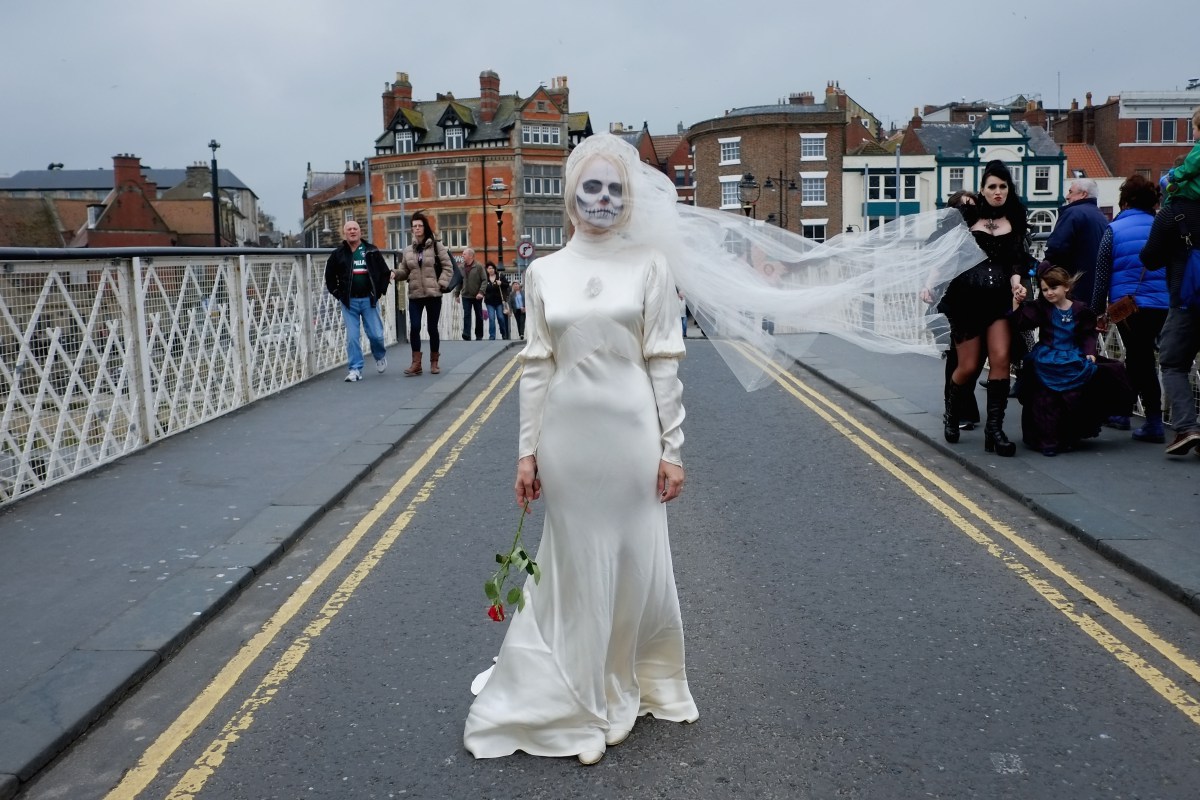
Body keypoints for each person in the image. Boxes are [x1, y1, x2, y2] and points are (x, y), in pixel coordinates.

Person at [464, 134, 697, 765]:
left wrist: (672, 449)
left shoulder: (650, 264)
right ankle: (579, 690)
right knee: (575, 560)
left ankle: (621, 681)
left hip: (630, 440)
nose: (602, 199)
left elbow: (664, 363)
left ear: (627, 198)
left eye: (614, 188)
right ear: (571, 196)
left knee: (630, 561)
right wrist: (526, 454)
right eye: (591, 187)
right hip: (568, 443)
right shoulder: (542, 272)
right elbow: (536, 368)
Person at [925, 162, 1030, 457]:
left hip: (998, 301)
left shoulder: (1016, 218)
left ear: (1009, 189)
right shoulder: (968, 216)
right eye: (992, 187)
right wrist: (931, 283)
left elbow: (1017, 260)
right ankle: (952, 412)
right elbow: (942, 251)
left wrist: (1017, 284)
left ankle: (994, 430)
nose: (998, 192)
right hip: (966, 300)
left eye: (1003, 186)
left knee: (1000, 361)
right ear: (982, 190)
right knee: (968, 367)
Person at [1010, 264, 1133, 456]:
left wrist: (1090, 351)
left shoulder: (1080, 309)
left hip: (1072, 359)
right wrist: (1017, 301)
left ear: (1066, 287)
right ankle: (1047, 441)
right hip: (1046, 359)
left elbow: (1088, 333)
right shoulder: (1042, 308)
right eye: (1044, 289)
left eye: (1053, 288)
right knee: (1045, 401)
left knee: (1071, 400)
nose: (1049, 293)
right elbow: (1021, 322)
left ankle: (1065, 438)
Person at [1091, 174, 1168, 442]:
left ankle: (1153, 421)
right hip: (1164, 304)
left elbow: (1101, 276)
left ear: (1125, 201)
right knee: (1146, 358)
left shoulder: (1114, 230)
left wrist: (1097, 312)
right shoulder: (1162, 226)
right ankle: (1125, 412)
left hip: (1129, 307)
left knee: (1140, 360)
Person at [1139, 179, 1200, 457]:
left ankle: (1187, 427)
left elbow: (1150, 257)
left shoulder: (1172, 211)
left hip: (1186, 300)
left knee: (1173, 363)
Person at [323, 220, 390, 382]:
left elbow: (384, 273)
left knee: (376, 336)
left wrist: (379, 292)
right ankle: (355, 369)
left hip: (369, 300)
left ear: (360, 232)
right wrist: (338, 294)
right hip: (349, 302)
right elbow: (329, 278)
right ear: (344, 233)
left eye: (355, 229)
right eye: (349, 229)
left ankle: (379, 355)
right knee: (352, 337)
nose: (352, 231)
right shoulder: (337, 254)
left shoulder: (371, 251)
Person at [392, 212, 452, 376]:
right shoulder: (408, 251)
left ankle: (434, 362)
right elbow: (404, 271)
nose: (417, 228)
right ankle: (416, 363)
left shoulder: (436, 246)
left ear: (425, 227)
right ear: (411, 229)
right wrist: (395, 274)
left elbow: (448, 267)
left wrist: (441, 284)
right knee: (415, 327)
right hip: (415, 294)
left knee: (432, 328)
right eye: (414, 226)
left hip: (433, 294)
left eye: (420, 225)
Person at [1046, 177, 1109, 308]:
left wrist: (1045, 269)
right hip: (1095, 289)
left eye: (1071, 191)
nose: (1067, 196)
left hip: (1074, 286)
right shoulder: (1101, 217)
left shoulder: (1072, 213)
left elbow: (1056, 248)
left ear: (1083, 194)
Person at [1163, 107, 1200, 205]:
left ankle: (1168, 209)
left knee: (1177, 192)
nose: (1192, 132)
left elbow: (1189, 168)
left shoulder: (1199, 148)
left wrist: (1173, 175)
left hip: (1196, 190)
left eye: (1193, 128)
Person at [459, 248, 485, 341]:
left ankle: (479, 335)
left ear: (470, 256)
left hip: (477, 295)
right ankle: (466, 334)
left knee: (479, 315)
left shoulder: (478, 266)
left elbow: (484, 280)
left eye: (464, 254)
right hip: (465, 295)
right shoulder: (461, 267)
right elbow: (459, 281)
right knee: (467, 315)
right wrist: (456, 294)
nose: (462, 255)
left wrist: (481, 292)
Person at [482, 262, 510, 340]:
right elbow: (482, 287)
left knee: (500, 317)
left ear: (494, 269)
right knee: (491, 318)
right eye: (488, 268)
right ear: (486, 270)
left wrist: (501, 283)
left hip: (499, 301)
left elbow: (507, 285)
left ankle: (503, 333)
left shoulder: (500, 276)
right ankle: (492, 335)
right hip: (489, 302)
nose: (490, 270)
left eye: (492, 268)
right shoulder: (485, 279)